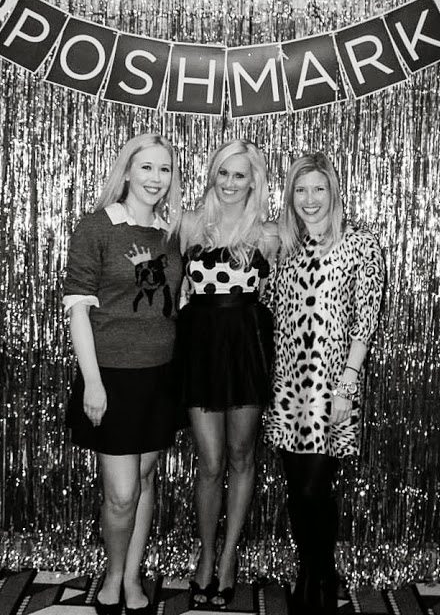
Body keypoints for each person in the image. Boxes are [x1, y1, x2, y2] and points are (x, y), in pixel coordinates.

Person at [63, 133, 183, 615]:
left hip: (161, 377)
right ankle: (113, 576)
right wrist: (92, 382)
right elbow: (78, 311)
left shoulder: (171, 234)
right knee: (121, 493)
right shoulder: (97, 226)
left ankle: (132, 576)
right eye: (147, 167)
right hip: (112, 376)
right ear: (128, 171)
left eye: (165, 169)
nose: (156, 178)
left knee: (146, 477)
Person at [264, 152, 384, 615]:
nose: (310, 199)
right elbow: (268, 310)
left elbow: (365, 321)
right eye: (300, 190)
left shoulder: (359, 243)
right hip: (287, 385)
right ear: (290, 196)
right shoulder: (283, 247)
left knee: (316, 488)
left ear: (333, 192)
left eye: (318, 189)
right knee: (297, 490)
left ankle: (320, 572)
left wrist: (347, 386)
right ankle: (311, 571)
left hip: (332, 385)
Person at [176, 139, 278, 609]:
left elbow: (277, 294)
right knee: (210, 461)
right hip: (199, 350)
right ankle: (205, 553)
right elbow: (176, 290)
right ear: (212, 175)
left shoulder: (269, 233)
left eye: (240, 175)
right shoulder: (190, 224)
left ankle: (229, 554)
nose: (231, 183)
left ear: (254, 180)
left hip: (246, 351)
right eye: (223, 173)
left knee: (240, 456)